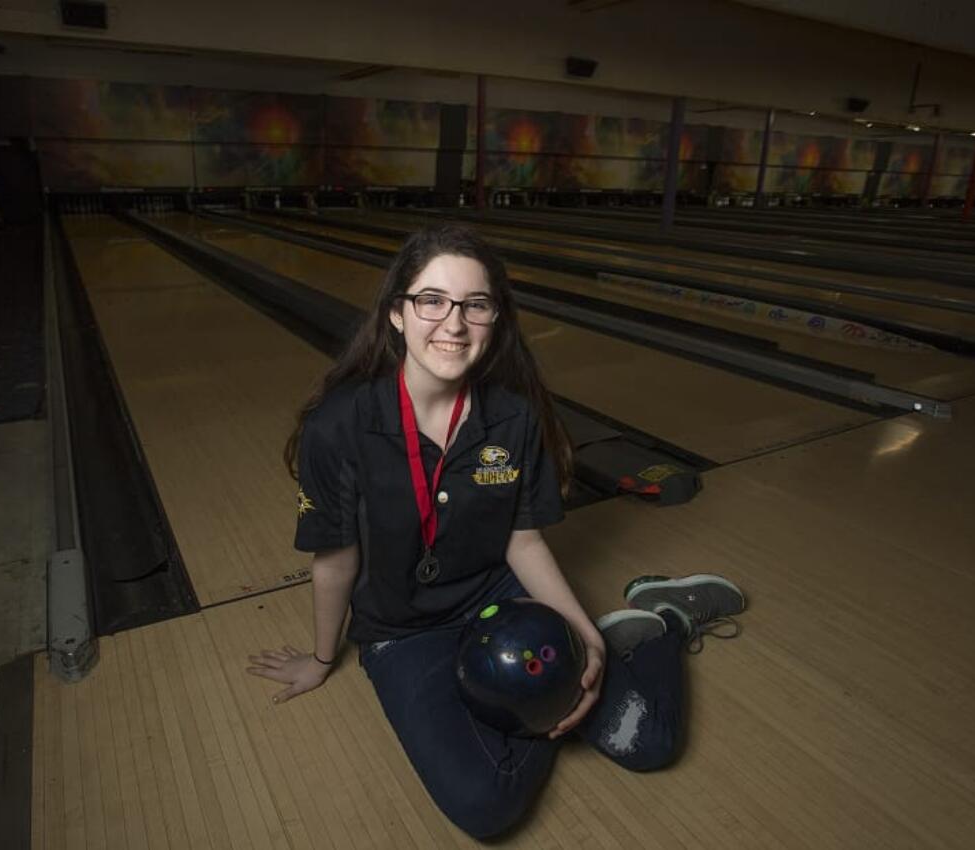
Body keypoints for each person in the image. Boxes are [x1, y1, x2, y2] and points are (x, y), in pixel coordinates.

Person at [247, 224, 747, 839]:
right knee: (487, 810)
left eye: (474, 305)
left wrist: (584, 638)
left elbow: (524, 540)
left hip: (500, 600)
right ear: (398, 314)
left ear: (494, 319)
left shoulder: (514, 415)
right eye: (432, 300)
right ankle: (587, 664)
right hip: (403, 633)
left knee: (649, 741)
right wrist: (324, 659)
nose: (453, 324)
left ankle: (663, 619)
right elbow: (335, 563)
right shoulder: (340, 425)